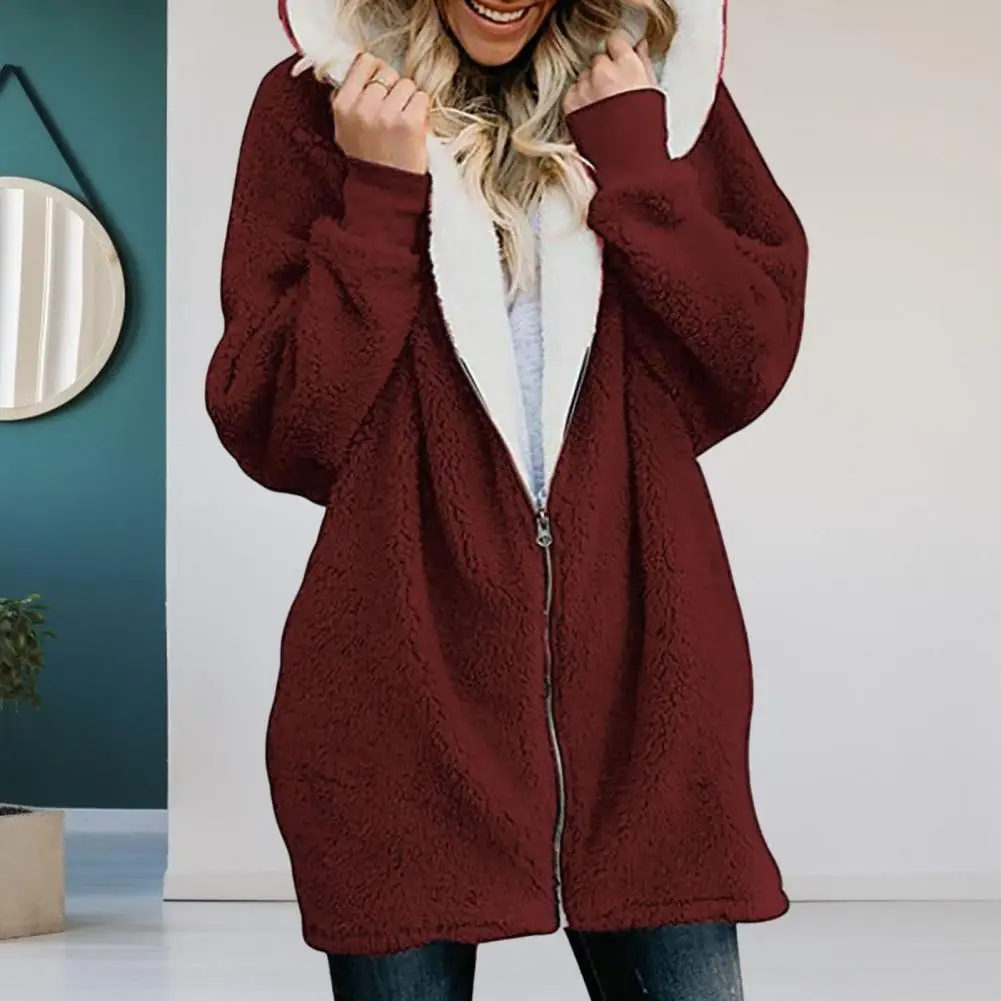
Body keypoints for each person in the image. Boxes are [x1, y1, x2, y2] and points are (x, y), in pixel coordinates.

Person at [205, 0, 808, 997]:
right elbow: (282, 423)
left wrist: (637, 165)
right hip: (396, 688)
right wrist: (377, 193)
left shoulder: (660, 100)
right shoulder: (316, 108)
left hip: (646, 675)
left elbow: (744, 354)